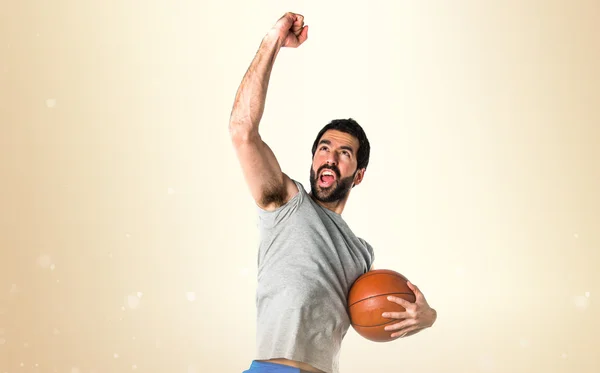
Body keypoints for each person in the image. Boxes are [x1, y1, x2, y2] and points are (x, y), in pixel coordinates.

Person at [229, 12, 437, 373]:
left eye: (344, 153)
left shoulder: (361, 255)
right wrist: (273, 40)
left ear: (358, 175)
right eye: (323, 149)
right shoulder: (286, 204)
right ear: (312, 160)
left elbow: (375, 311)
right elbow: (242, 131)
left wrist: (427, 316)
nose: (330, 158)